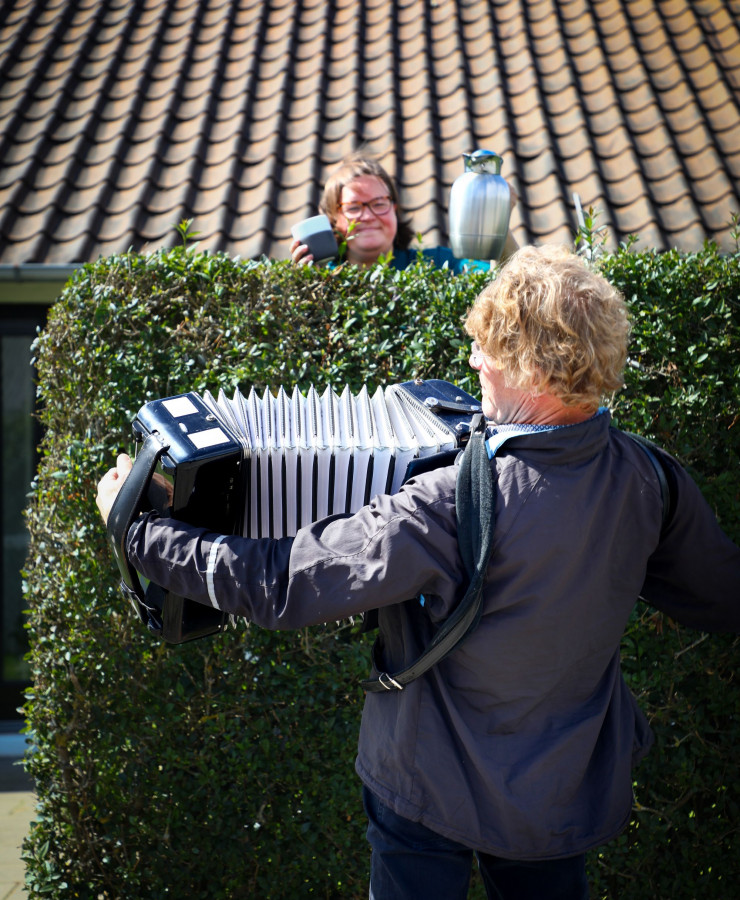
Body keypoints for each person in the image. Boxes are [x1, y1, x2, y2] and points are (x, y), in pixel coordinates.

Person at [97, 245, 739, 899]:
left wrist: (141, 529)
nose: (473, 361)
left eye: (486, 347)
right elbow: (723, 599)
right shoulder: (651, 480)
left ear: (531, 367)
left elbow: (281, 584)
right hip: (558, 794)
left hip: (425, 788)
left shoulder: (453, 497)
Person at [289, 152, 519, 271]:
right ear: (332, 219)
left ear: (394, 210)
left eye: (379, 203)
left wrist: (498, 220)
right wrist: (305, 285)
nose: (368, 216)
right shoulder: (323, 277)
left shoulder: (438, 265)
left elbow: (504, 282)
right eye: (353, 208)